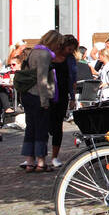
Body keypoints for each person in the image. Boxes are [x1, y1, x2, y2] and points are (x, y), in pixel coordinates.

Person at [16, 30, 59, 173]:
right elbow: (42, 79)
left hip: (27, 94)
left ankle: (29, 161)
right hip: (37, 95)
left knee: (30, 128)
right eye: (57, 44)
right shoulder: (45, 54)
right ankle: (40, 162)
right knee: (41, 128)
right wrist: (45, 100)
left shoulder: (33, 51)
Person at [47, 35, 78, 168]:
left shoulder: (70, 59)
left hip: (62, 95)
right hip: (48, 94)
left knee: (58, 125)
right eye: (69, 49)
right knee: (47, 124)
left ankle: (54, 156)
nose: (70, 52)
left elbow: (73, 79)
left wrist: (72, 97)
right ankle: (40, 154)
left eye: (72, 50)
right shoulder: (49, 56)